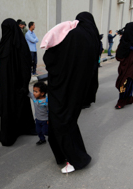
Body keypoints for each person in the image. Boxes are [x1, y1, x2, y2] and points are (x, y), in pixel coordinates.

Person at [41, 12, 99, 173]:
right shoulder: (92, 39)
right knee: (68, 121)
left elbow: (50, 59)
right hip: (78, 89)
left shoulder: (73, 35)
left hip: (62, 88)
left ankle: (77, 159)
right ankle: (64, 155)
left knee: (61, 122)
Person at [0, 18, 35, 146]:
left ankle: (14, 132)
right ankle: (21, 128)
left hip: (10, 84)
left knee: (10, 105)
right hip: (14, 83)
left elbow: (24, 63)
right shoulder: (17, 44)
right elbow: (27, 63)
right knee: (17, 104)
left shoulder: (6, 45)